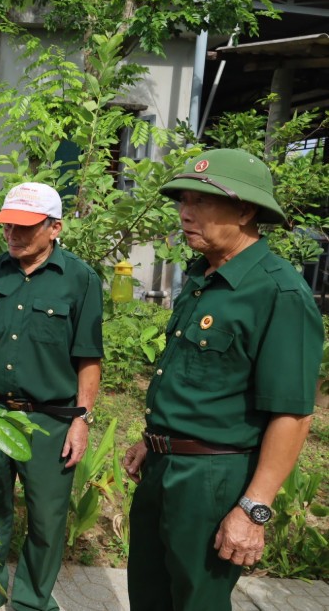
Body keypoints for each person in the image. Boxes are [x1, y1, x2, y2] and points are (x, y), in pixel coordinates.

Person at [122, 148, 322, 611]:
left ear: (246, 210)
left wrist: (253, 509)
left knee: (198, 601)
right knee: (149, 595)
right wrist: (154, 440)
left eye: (200, 202)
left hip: (214, 479)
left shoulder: (277, 292)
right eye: (181, 201)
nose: (185, 213)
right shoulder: (202, 276)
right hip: (164, 466)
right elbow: (199, 381)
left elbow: (292, 414)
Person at [0, 182, 103, 611]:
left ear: (54, 228)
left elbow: (89, 358)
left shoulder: (80, 279)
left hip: (51, 420)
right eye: (7, 227)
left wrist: (81, 420)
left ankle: (32, 602)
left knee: (46, 519)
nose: (13, 236)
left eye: (25, 228)